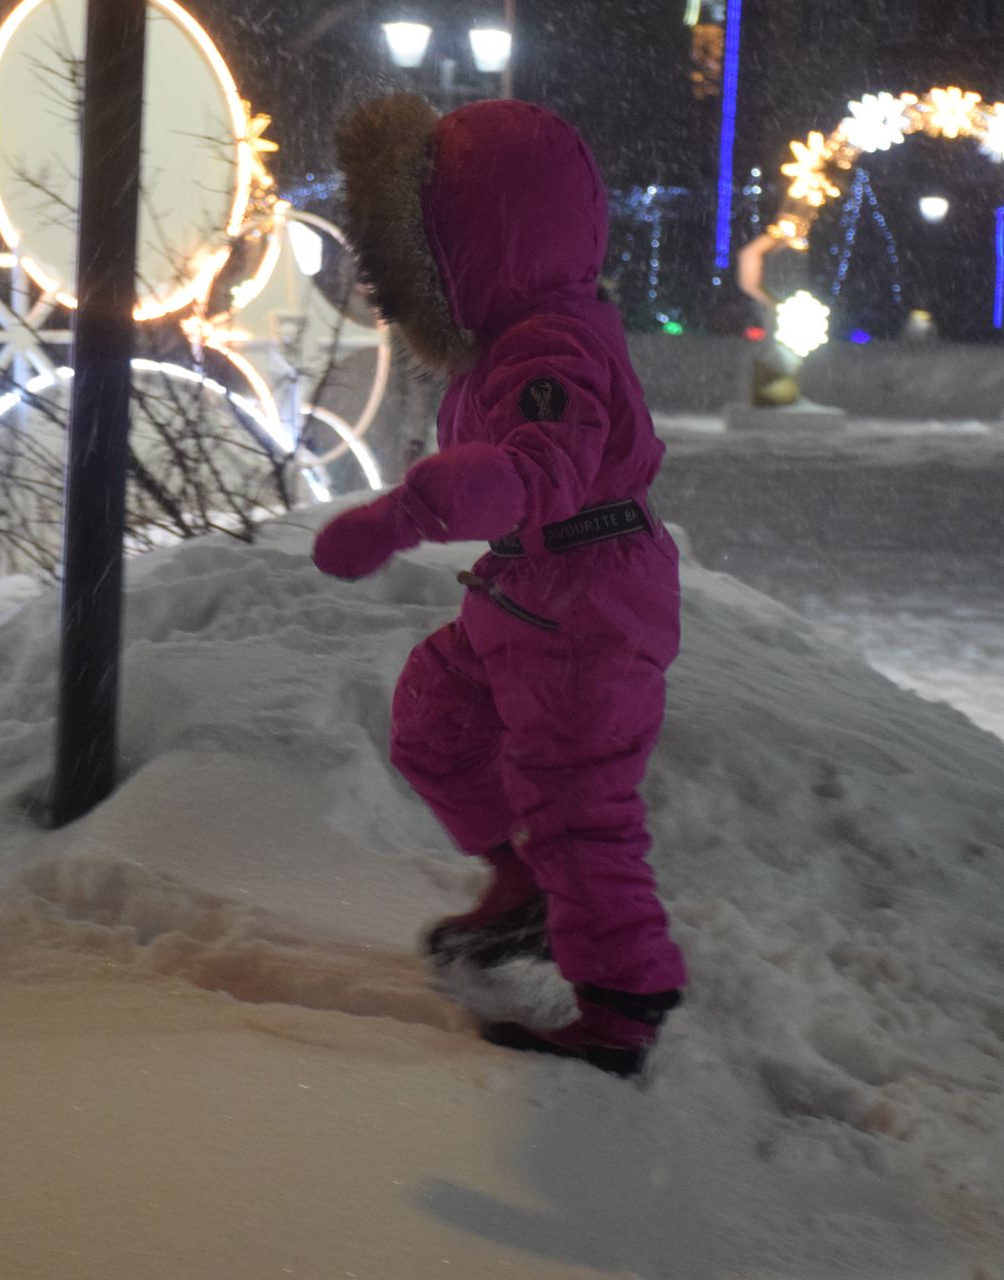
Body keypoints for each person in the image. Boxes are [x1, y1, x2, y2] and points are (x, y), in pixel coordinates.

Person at [310, 95, 684, 1077]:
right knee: (435, 716)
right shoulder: (516, 336)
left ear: (470, 237)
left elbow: (530, 473)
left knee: (576, 801)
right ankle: (522, 888)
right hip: (530, 593)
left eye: (421, 242)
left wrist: (396, 518)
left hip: (589, 605)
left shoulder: (553, 349)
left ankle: (621, 1001)